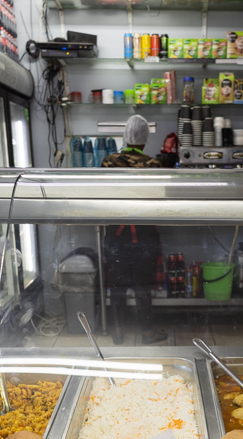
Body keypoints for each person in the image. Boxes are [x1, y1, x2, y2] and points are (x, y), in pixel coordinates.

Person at [101, 115, 167, 345]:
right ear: (145, 138)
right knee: (143, 287)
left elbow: (103, 198)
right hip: (144, 235)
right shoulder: (153, 165)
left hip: (117, 236)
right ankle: (147, 334)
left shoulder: (109, 162)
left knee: (117, 285)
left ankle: (117, 331)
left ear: (125, 136)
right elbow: (159, 201)